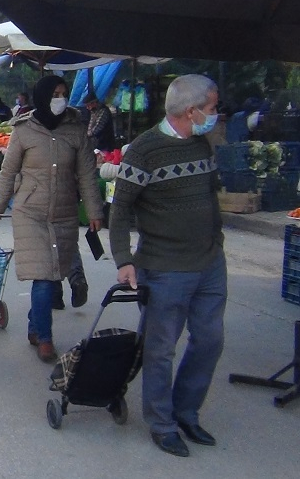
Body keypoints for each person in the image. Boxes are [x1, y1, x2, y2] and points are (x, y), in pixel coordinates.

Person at [109, 74, 225, 458]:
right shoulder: (144, 151)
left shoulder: (202, 143)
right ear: (190, 111)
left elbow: (210, 195)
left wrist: (216, 243)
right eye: (211, 109)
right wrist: (124, 260)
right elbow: (121, 209)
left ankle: (186, 412)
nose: (215, 115)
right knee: (161, 349)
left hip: (209, 263)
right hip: (164, 267)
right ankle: (162, 423)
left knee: (209, 340)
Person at [0, 75, 103, 363]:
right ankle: (46, 339)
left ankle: (34, 324)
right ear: (42, 97)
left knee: (53, 277)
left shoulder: (76, 131)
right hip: (30, 212)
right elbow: (9, 172)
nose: (60, 99)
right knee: (42, 277)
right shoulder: (24, 131)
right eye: (55, 94)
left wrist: (95, 212)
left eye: (63, 93)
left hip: (63, 212)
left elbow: (87, 175)